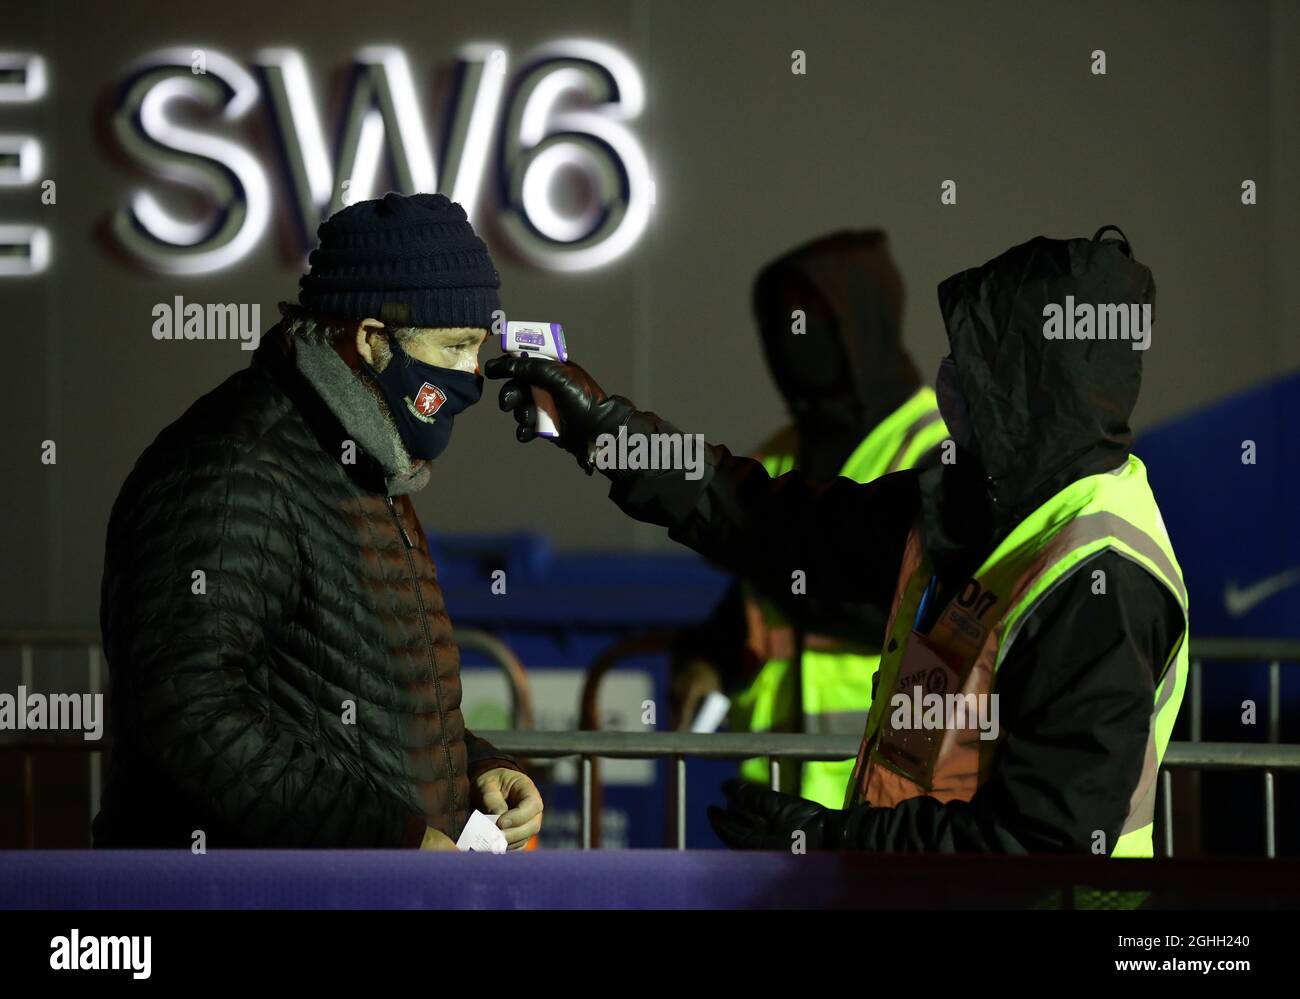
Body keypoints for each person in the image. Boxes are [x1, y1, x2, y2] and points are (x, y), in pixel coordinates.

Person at [488, 227, 1186, 855]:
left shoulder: (1103, 580)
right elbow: (764, 519)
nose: (950, 386)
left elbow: (1040, 843)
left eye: (975, 371)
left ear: (1031, 393)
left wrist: (831, 840)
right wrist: (600, 430)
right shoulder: (972, 501)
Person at [95, 193, 543, 850]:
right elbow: (185, 705)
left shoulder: (359, 460)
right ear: (369, 341)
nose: (473, 375)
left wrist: (481, 769)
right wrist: (387, 838)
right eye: (455, 347)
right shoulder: (235, 464)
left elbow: (361, 696)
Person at [671, 231, 947, 809]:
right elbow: (752, 599)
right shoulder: (774, 458)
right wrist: (709, 659)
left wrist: (775, 562)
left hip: (892, 796)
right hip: (774, 790)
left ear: (860, 324)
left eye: (804, 322)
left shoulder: (937, 454)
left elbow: (906, 609)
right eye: (775, 325)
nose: (788, 343)